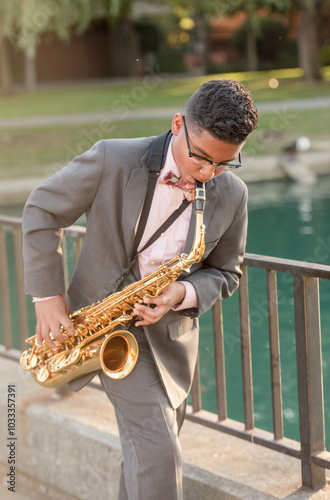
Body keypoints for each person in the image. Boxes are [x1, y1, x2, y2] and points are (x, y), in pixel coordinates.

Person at [22, 78, 258, 500]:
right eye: (200, 158)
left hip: (170, 339)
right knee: (160, 455)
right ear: (177, 125)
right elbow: (41, 208)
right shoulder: (113, 158)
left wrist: (179, 295)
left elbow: (227, 273)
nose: (206, 174)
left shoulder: (232, 195)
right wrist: (48, 297)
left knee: (146, 456)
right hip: (104, 329)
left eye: (224, 165)